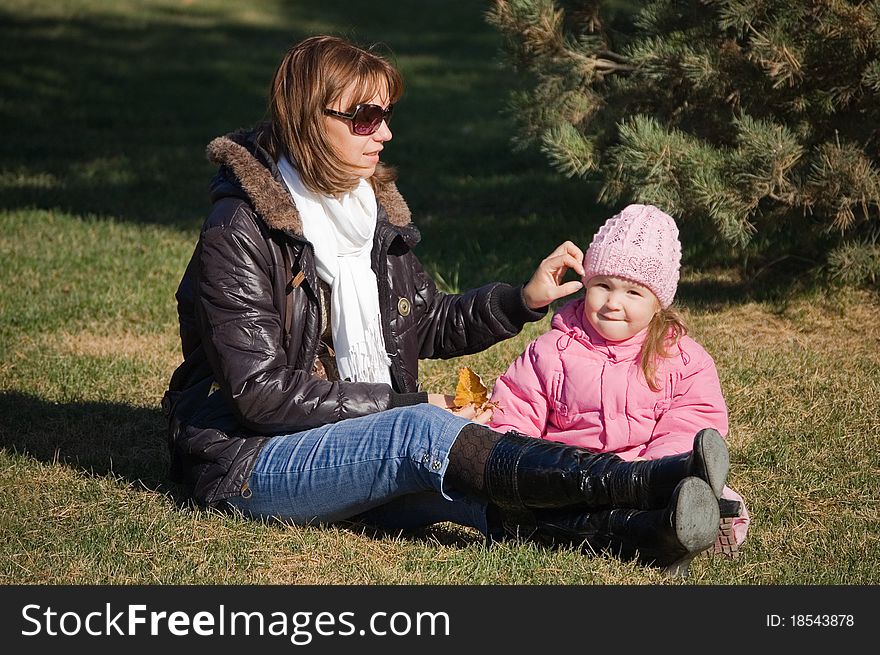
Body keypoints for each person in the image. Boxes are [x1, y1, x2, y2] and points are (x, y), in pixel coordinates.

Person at [162, 35, 727, 577]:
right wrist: (406, 403)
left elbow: (424, 321)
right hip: (250, 463)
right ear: (311, 120)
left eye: (385, 115)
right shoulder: (239, 230)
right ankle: (653, 480)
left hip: (344, 447)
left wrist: (522, 300)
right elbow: (263, 394)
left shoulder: (367, 212)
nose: (383, 133)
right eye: (364, 117)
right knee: (418, 434)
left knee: (473, 494)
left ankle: (652, 530)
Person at [488, 203, 750, 557]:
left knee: (709, 492)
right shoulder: (552, 351)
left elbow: (689, 421)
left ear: (659, 303)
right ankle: (659, 532)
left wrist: (655, 470)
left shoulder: (681, 359)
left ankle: (692, 519)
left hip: (643, 473)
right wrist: (513, 457)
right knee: (552, 509)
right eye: (603, 286)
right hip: (569, 477)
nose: (613, 302)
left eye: (633, 293)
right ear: (586, 284)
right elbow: (515, 408)